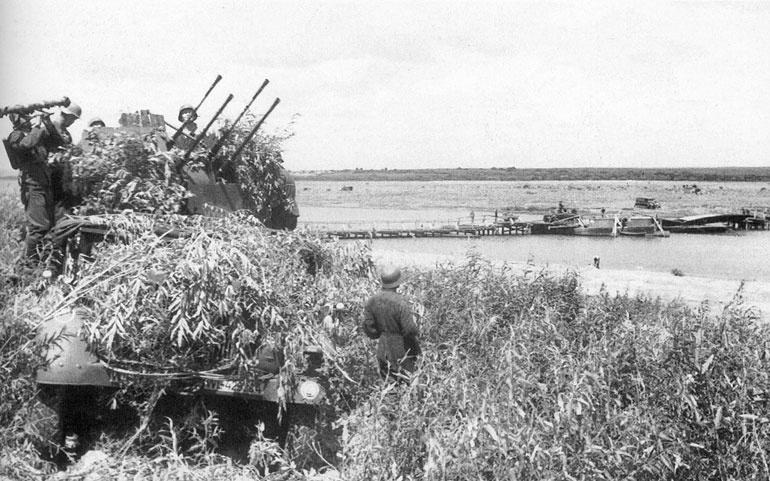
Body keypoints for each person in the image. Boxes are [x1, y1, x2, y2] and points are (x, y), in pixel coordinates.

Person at [8, 103, 81, 269]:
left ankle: (41, 262)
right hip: (32, 186)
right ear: (17, 118)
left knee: (47, 225)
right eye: (25, 115)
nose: (29, 118)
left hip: (43, 185)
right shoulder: (17, 135)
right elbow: (27, 144)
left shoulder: (35, 133)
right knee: (38, 227)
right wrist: (39, 125)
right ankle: (28, 266)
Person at [363, 265, 421, 380]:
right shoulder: (401, 302)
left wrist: (383, 333)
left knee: (390, 387)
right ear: (397, 283)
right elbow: (410, 330)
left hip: (383, 350)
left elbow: (369, 329)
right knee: (409, 384)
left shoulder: (371, 301)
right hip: (403, 351)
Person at [267, 165, 300, 230]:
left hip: (283, 212)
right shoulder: (288, 174)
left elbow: (278, 194)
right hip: (293, 210)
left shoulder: (279, 175)